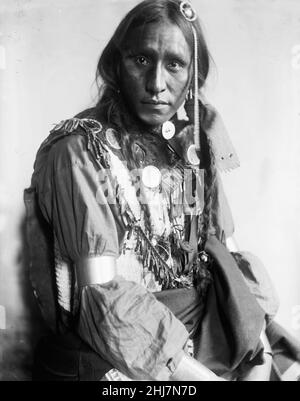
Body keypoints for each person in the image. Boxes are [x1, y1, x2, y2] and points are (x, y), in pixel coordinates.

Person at [25, 0, 280, 381]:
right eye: (141, 60)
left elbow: (225, 253)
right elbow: (102, 299)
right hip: (114, 346)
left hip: (195, 332)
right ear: (115, 65)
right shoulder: (79, 151)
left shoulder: (192, 143)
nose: (157, 84)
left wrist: (257, 351)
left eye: (175, 64)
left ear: (193, 75)